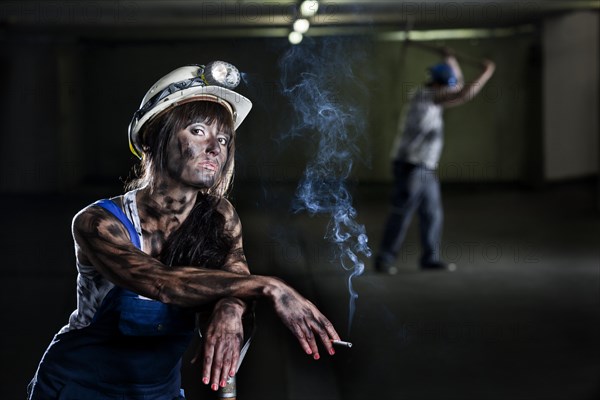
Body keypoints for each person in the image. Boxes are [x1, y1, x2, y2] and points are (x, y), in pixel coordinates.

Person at [27, 61, 341, 400]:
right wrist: (271, 286)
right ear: (154, 137)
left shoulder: (220, 215)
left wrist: (229, 307)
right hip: (77, 389)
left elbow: (235, 279)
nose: (215, 147)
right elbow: (161, 283)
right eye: (197, 131)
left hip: (158, 393)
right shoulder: (99, 222)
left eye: (223, 138)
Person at [375, 45, 496, 275]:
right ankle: (384, 259)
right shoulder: (426, 98)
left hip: (425, 167)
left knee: (432, 214)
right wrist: (486, 73)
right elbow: (462, 93)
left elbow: (456, 85)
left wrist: (450, 59)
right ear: (439, 84)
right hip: (412, 165)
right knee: (402, 212)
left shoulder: (432, 94)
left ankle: (429, 258)